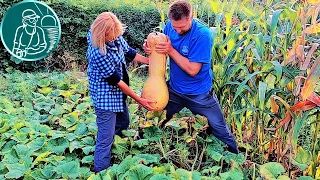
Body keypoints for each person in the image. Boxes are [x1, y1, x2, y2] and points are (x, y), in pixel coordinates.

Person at [143, 0, 239, 154]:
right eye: (175, 27)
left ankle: (235, 158)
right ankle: (149, 151)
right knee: (156, 119)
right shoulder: (170, 27)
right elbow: (161, 54)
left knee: (219, 129)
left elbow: (193, 70)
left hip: (199, 93)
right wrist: (152, 49)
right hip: (174, 90)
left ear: (191, 17)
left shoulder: (202, 34)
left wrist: (171, 50)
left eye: (181, 27)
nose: (178, 31)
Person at [86, 12, 155, 173]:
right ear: (104, 34)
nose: (117, 37)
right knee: (105, 138)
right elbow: (116, 80)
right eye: (113, 35)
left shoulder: (114, 35)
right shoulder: (98, 52)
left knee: (123, 122)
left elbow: (129, 52)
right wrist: (139, 99)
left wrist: (151, 62)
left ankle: (115, 146)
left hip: (118, 94)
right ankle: (101, 171)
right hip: (105, 97)